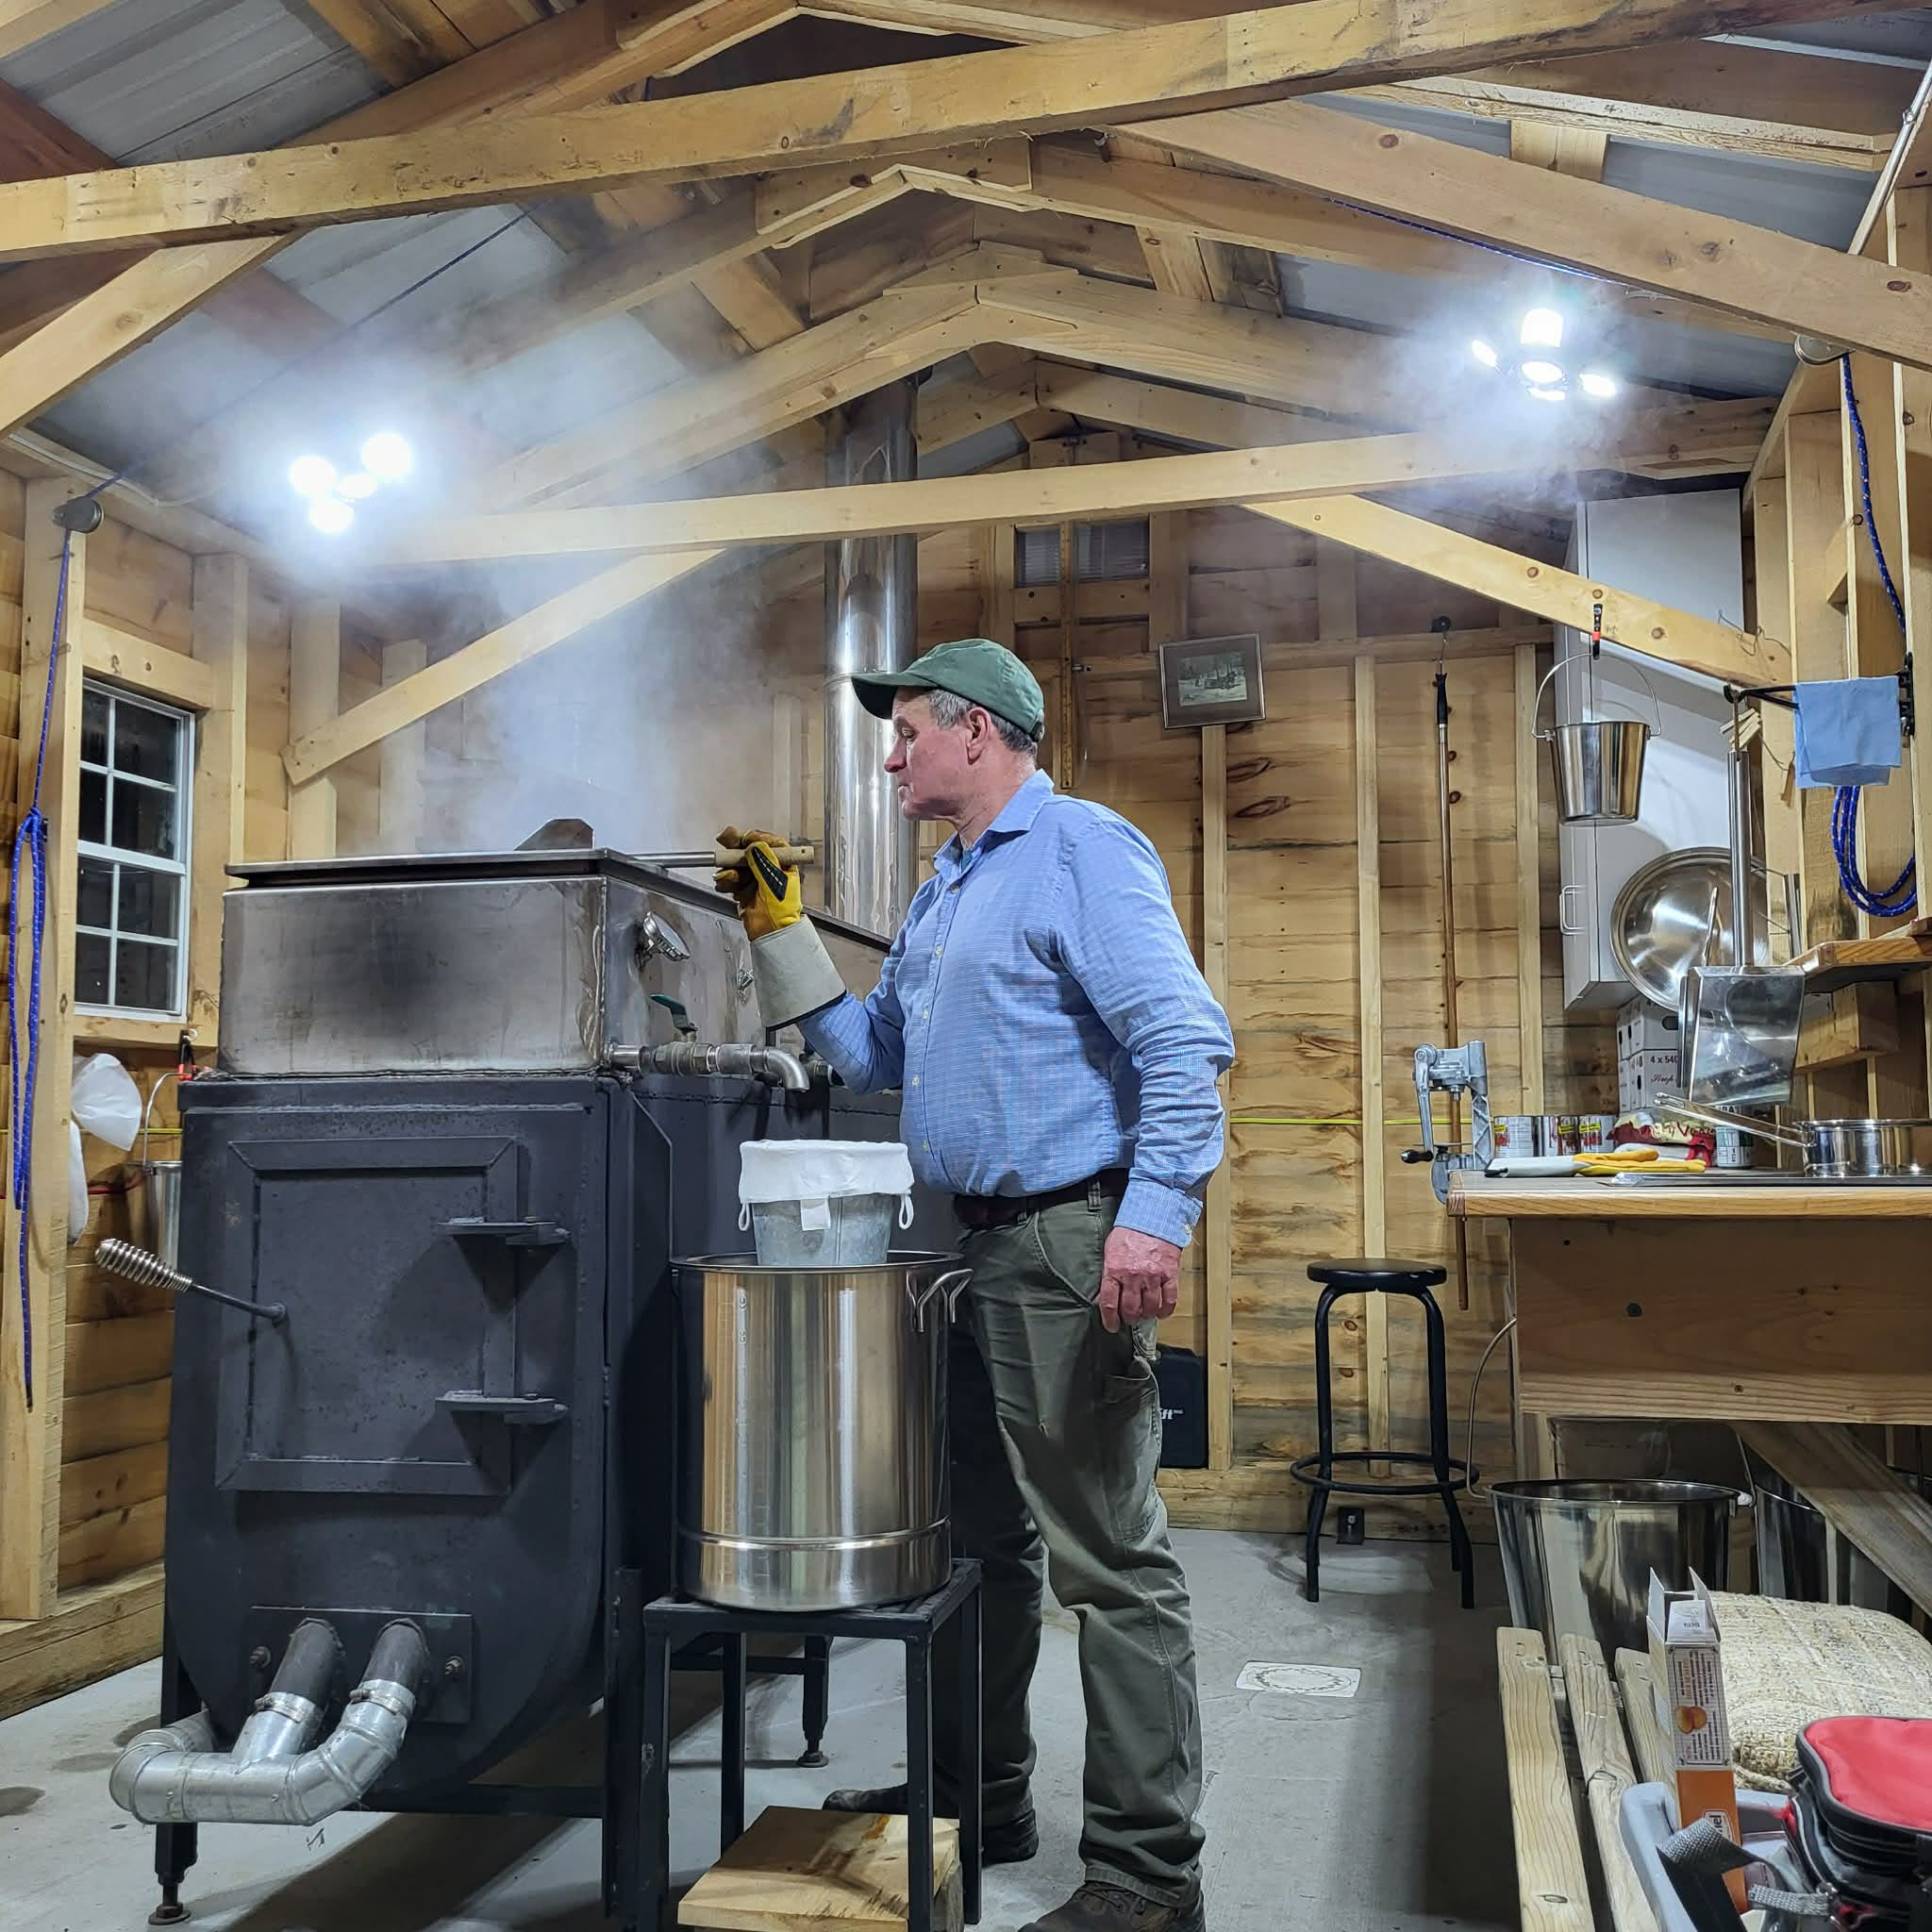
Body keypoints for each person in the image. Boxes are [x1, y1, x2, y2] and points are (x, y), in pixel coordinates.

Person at [718, 638, 1232, 1932]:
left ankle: (1147, 1873)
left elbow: (1182, 1042)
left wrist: (1153, 1222)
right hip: (964, 1250)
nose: (889, 756)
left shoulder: (1082, 851)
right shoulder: (948, 887)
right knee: (979, 1546)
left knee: (1108, 1561)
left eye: (904, 733)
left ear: (978, 732)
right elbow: (871, 1049)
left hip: (1069, 1241)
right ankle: (978, 1796)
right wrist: (781, 938)